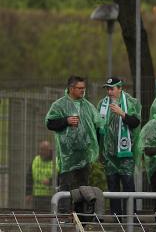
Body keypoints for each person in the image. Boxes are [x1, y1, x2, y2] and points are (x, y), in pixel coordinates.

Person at [45, 76, 100, 209]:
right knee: (66, 186)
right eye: (80, 88)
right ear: (71, 88)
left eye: (84, 88)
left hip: (84, 154)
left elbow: (98, 126)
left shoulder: (88, 106)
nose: (83, 91)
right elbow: (50, 123)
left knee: (83, 186)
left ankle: (81, 216)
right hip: (67, 155)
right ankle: (64, 215)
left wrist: (95, 149)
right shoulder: (59, 105)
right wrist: (66, 121)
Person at [97, 77, 141, 216]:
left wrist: (122, 113)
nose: (109, 92)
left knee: (128, 183)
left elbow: (135, 122)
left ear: (120, 88)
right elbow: (98, 127)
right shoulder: (102, 104)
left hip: (125, 152)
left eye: (112, 89)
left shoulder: (131, 102)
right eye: (108, 89)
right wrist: (99, 151)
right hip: (109, 153)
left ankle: (130, 215)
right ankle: (116, 216)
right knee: (112, 185)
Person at [26, 141, 55, 211]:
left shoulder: (54, 162)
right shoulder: (35, 160)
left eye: (45, 150)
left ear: (50, 150)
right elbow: (29, 178)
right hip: (37, 196)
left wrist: (50, 181)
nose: (42, 152)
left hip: (50, 196)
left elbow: (58, 177)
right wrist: (28, 193)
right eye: (41, 149)